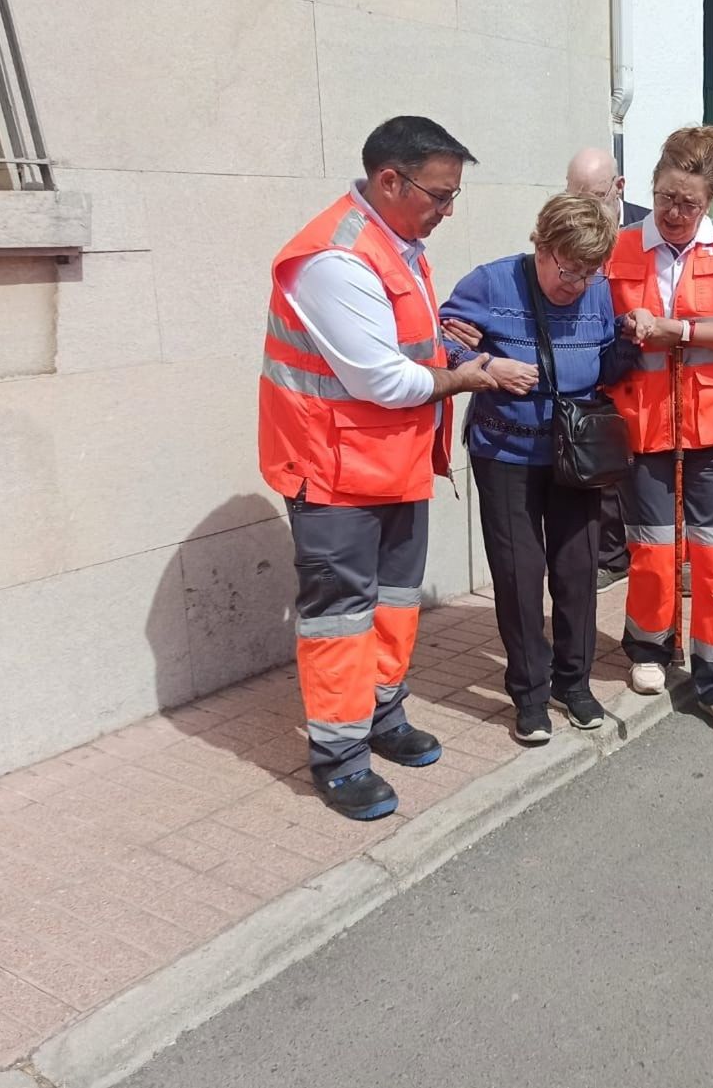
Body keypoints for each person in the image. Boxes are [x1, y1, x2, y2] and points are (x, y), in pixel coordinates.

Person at [259, 115, 500, 821]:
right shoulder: (334, 258)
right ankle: (339, 757)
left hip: (391, 463)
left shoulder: (400, 242)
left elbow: (400, 347)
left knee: (394, 604)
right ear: (389, 179)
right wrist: (469, 377)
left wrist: (444, 344)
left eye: (453, 195)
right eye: (440, 194)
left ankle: (383, 715)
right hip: (333, 473)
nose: (447, 209)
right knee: (340, 616)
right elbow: (381, 381)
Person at [438, 193, 632, 743]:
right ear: (542, 247)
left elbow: (610, 363)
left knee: (576, 573)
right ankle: (528, 692)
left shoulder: (597, 291)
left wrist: (629, 337)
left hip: (576, 457)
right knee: (521, 579)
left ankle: (575, 684)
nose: (576, 285)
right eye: (568, 271)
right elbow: (437, 340)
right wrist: (486, 365)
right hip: (506, 456)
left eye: (589, 273)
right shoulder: (491, 284)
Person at [605, 125, 713, 735]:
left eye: (690, 203)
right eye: (667, 198)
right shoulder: (619, 247)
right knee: (649, 547)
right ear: (653, 187)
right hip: (643, 422)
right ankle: (648, 648)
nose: (675, 213)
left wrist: (683, 331)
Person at [567, 146, 650, 591]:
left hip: (640, 364)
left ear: (618, 188)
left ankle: (663, 554)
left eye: (594, 196)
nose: (582, 207)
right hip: (590, 364)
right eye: (574, 195)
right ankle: (610, 554)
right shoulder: (568, 227)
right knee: (597, 463)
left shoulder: (647, 230)